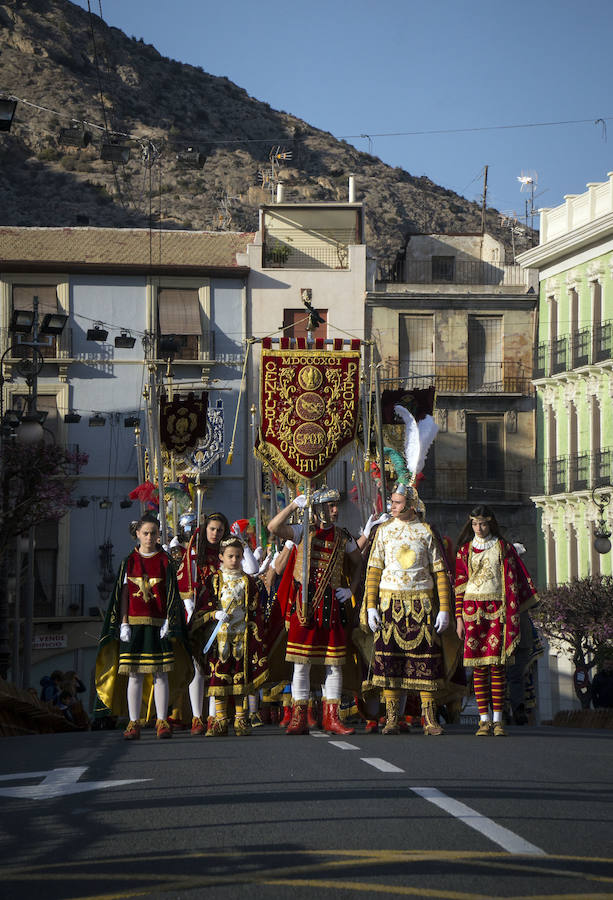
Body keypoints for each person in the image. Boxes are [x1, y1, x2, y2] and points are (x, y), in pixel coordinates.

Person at [268, 486, 363, 736]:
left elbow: (358, 564)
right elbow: (273, 527)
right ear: (319, 508)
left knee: (334, 663)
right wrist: (293, 506)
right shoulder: (302, 531)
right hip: (305, 606)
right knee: (301, 663)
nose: (335, 511)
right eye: (330, 506)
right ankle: (298, 717)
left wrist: (351, 590)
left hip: (331, 605)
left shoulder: (344, 536)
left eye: (336, 506)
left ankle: (332, 718)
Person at [95, 513, 193, 740]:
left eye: (154, 533)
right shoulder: (128, 562)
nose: (150, 537)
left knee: (160, 674)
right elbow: (124, 594)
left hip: (159, 624)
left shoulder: (166, 560)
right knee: (135, 675)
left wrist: (170, 620)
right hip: (134, 626)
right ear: (137, 534)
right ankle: (133, 721)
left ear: (159, 535)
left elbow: (170, 592)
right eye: (146, 533)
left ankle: (161, 720)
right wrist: (124, 623)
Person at [364, 484, 452, 735]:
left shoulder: (426, 531)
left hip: (421, 604)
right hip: (389, 603)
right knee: (390, 661)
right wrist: (371, 606)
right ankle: (392, 717)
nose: (392, 506)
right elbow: (374, 570)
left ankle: (429, 718)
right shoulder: (383, 531)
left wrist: (444, 608)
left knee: (425, 660)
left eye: (397, 502)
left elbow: (440, 572)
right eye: (391, 501)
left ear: (411, 505)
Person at [455, 505, 538, 737]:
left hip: (497, 613)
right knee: (479, 668)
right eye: (474, 524)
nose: (478, 528)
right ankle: (484, 720)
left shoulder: (503, 548)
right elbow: (459, 587)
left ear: (491, 523)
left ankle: (498, 720)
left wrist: (511, 615)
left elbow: (513, 582)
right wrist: (459, 618)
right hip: (472, 614)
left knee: (497, 667)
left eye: (482, 524)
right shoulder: (464, 551)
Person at [189, 536, 277, 736]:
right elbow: (204, 605)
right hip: (219, 638)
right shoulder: (214, 580)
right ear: (221, 557)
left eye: (238, 556)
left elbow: (256, 609)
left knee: (240, 679)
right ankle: (220, 720)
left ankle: (240, 719)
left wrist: (255, 632)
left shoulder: (248, 581)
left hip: (241, 638)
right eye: (230, 556)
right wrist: (213, 614)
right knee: (219, 679)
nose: (235, 560)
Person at [174, 512, 230, 735]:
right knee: (198, 666)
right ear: (205, 529)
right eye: (212, 529)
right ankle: (197, 716)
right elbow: (185, 578)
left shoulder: (226, 553)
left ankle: (215, 716)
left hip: (224, 615)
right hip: (200, 616)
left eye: (220, 530)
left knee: (217, 666)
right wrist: (189, 603)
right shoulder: (194, 553)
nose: (215, 534)